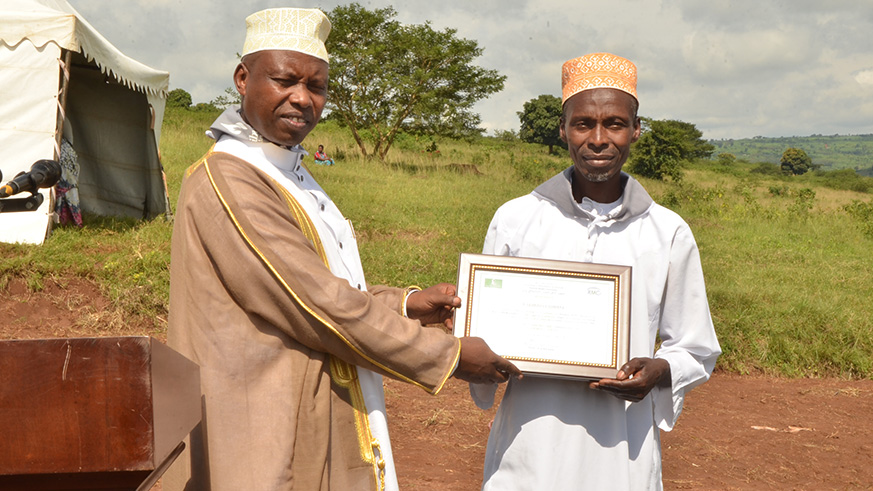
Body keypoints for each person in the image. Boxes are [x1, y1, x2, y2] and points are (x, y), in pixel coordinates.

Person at [165, 8, 519, 491]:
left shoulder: (288, 170)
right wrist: (449, 356)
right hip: (265, 414)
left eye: (317, 86)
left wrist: (407, 303)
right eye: (285, 80)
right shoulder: (229, 177)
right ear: (243, 79)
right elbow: (318, 303)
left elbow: (322, 282)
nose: (302, 98)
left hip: (315, 394)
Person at [470, 53, 721, 490]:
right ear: (563, 129)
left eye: (616, 124)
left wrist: (660, 371)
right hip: (531, 440)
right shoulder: (516, 219)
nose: (599, 138)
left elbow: (695, 346)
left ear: (636, 130)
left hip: (621, 446)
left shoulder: (667, 232)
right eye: (583, 123)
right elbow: (485, 335)